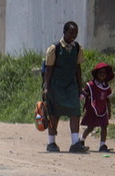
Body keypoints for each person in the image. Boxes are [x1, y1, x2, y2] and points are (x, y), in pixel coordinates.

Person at [43, 21, 87, 153]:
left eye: (76, 33)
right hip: (56, 86)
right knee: (54, 114)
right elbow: (48, 70)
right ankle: (51, 143)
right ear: (64, 32)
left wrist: (79, 87)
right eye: (71, 33)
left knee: (75, 112)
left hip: (70, 85)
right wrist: (46, 87)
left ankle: (75, 143)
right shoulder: (54, 48)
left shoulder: (77, 48)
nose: (73, 36)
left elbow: (77, 68)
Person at [80, 62, 114, 152]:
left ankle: (102, 145)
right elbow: (84, 94)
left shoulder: (106, 87)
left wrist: (109, 112)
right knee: (90, 127)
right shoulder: (91, 85)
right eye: (100, 72)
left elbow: (108, 100)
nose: (102, 74)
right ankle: (81, 140)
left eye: (104, 73)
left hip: (102, 110)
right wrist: (81, 96)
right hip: (92, 109)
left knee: (104, 126)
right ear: (96, 74)